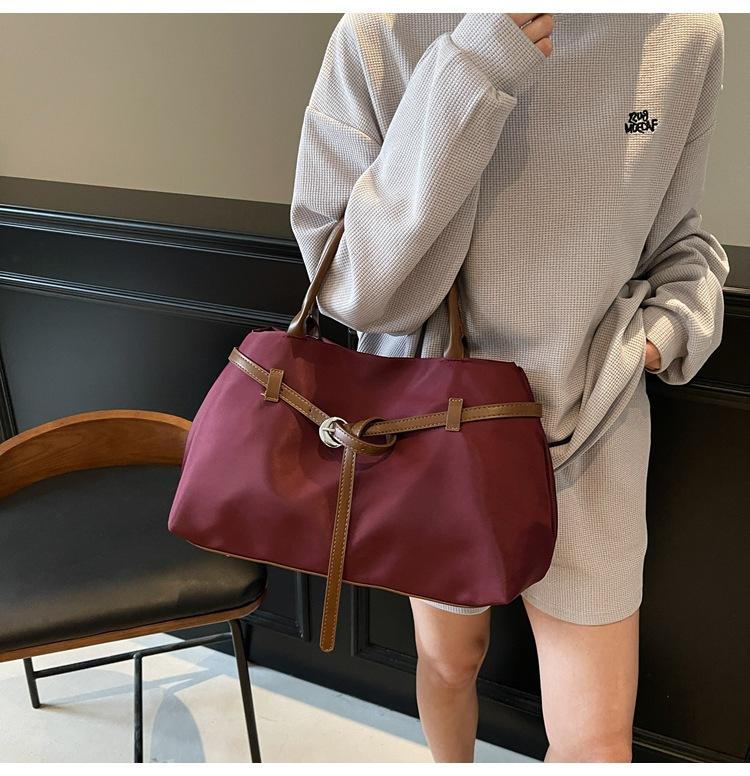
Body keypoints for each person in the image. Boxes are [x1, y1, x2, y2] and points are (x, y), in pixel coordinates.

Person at [289, 12, 729, 763]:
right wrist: (475, 65)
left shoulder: (683, 31)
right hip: (434, 433)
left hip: (595, 433)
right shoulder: (384, 27)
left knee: (597, 745)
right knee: (449, 662)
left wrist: (666, 333)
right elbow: (352, 286)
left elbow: (675, 235)